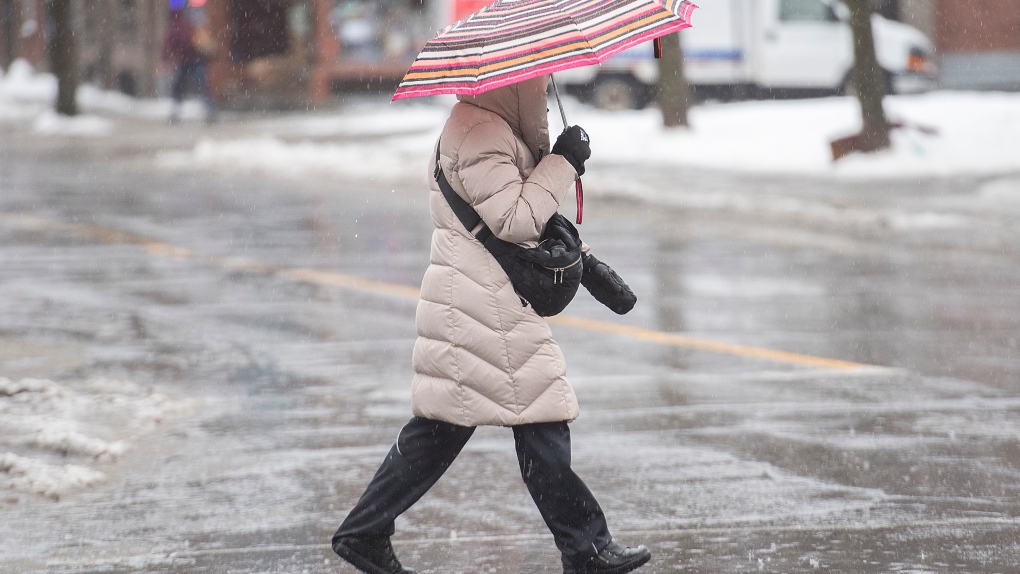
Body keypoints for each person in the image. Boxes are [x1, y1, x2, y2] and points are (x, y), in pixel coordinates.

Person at [331, 75, 644, 574]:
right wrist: (563, 163)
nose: (543, 89)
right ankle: (587, 548)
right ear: (516, 82)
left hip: (479, 297)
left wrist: (586, 259)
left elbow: (517, 216)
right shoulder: (479, 133)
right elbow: (516, 220)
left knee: (442, 429)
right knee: (538, 417)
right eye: (538, 80)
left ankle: (364, 531)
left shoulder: (489, 127)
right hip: (484, 302)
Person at [161, 7, 216, 124]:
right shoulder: (189, 26)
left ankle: (207, 110)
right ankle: (206, 110)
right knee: (191, 85)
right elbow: (170, 42)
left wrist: (167, 56)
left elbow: (169, 42)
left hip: (192, 61)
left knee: (191, 85)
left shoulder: (188, 26)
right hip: (188, 61)